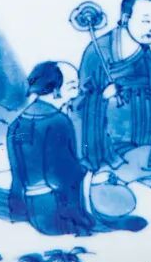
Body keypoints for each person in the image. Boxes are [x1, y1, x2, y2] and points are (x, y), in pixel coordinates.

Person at [78, 0, 151, 172]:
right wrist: (102, 96)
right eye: (146, 20)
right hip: (105, 140)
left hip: (140, 136)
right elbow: (81, 100)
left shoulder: (147, 57)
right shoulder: (98, 51)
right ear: (126, 18)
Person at [7, 61, 94, 236]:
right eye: (72, 86)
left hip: (30, 208)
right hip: (57, 213)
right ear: (55, 90)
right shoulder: (58, 122)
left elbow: (18, 172)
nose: (77, 92)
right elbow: (62, 175)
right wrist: (85, 168)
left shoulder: (17, 124)